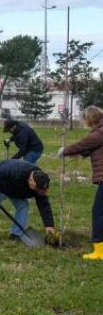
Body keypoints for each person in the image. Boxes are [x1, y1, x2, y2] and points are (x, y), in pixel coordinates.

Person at [58, 105, 103, 259]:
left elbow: (82, 144)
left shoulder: (98, 134)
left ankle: (99, 251)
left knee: (98, 212)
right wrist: (81, 153)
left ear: (90, 118)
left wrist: (64, 151)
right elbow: (91, 148)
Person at [0, 159, 56, 242]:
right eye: (37, 188)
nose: (39, 191)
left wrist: (49, 225)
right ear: (31, 180)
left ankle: (16, 234)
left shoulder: (41, 181)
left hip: (13, 186)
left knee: (23, 205)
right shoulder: (17, 169)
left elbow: (44, 205)